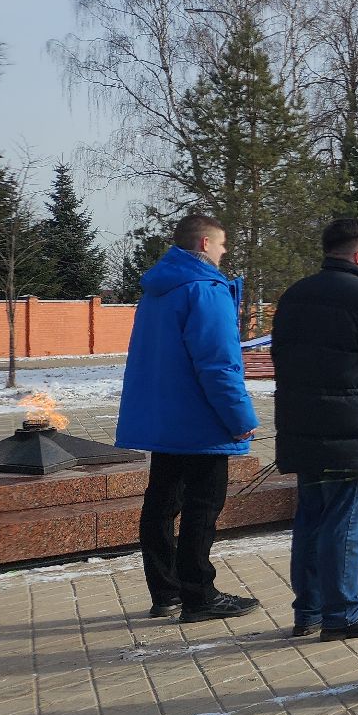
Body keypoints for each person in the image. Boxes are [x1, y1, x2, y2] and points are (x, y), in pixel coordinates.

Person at [117, 212, 262, 624]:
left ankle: (166, 593)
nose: (224, 251)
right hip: (201, 420)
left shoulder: (158, 289)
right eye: (220, 244)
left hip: (165, 417)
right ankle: (200, 594)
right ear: (203, 245)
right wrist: (239, 417)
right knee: (203, 506)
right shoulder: (206, 289)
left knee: (161, 504)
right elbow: (217, 364)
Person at [273, 218, 358, 642]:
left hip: (303, 424)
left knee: (311, 519)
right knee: (345, 523)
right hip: (353, 429)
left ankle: (308, 609)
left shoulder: (295, 294)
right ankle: (342, 611)